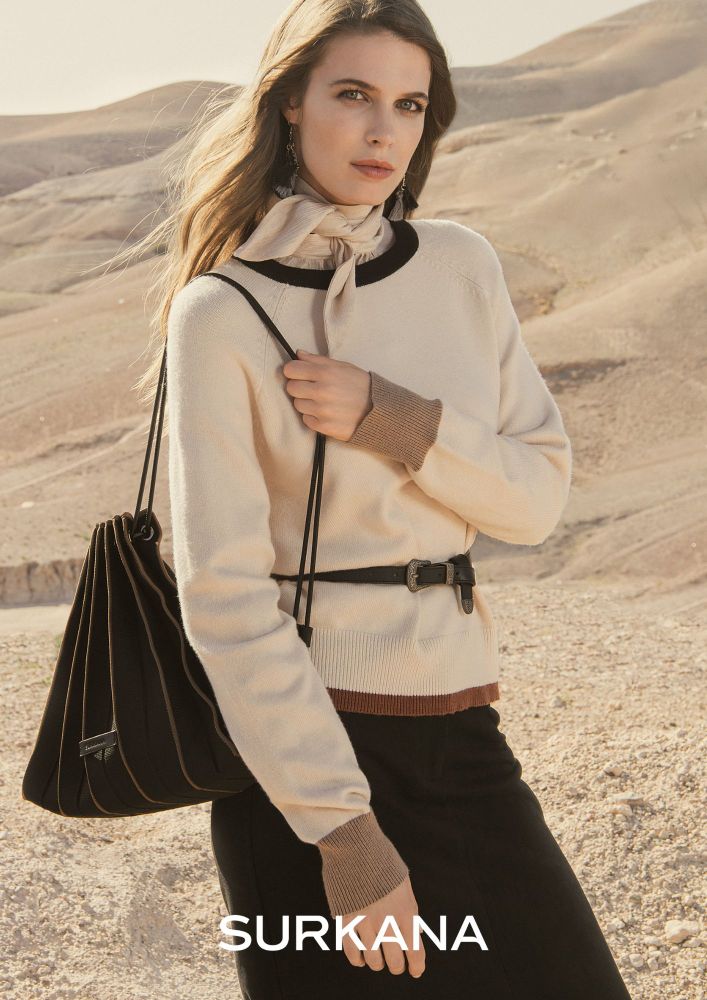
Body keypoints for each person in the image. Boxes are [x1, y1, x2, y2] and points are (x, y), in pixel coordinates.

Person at [148, 1, 634, 997]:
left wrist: (396, 420)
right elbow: (223, 594)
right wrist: (346, 838)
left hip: (461, 740)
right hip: (298, 769)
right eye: (353, 95)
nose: (383, 131)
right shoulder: (220, 313)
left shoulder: (459, 267)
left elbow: (534, 500)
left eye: (409, 105)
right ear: (290, 103)